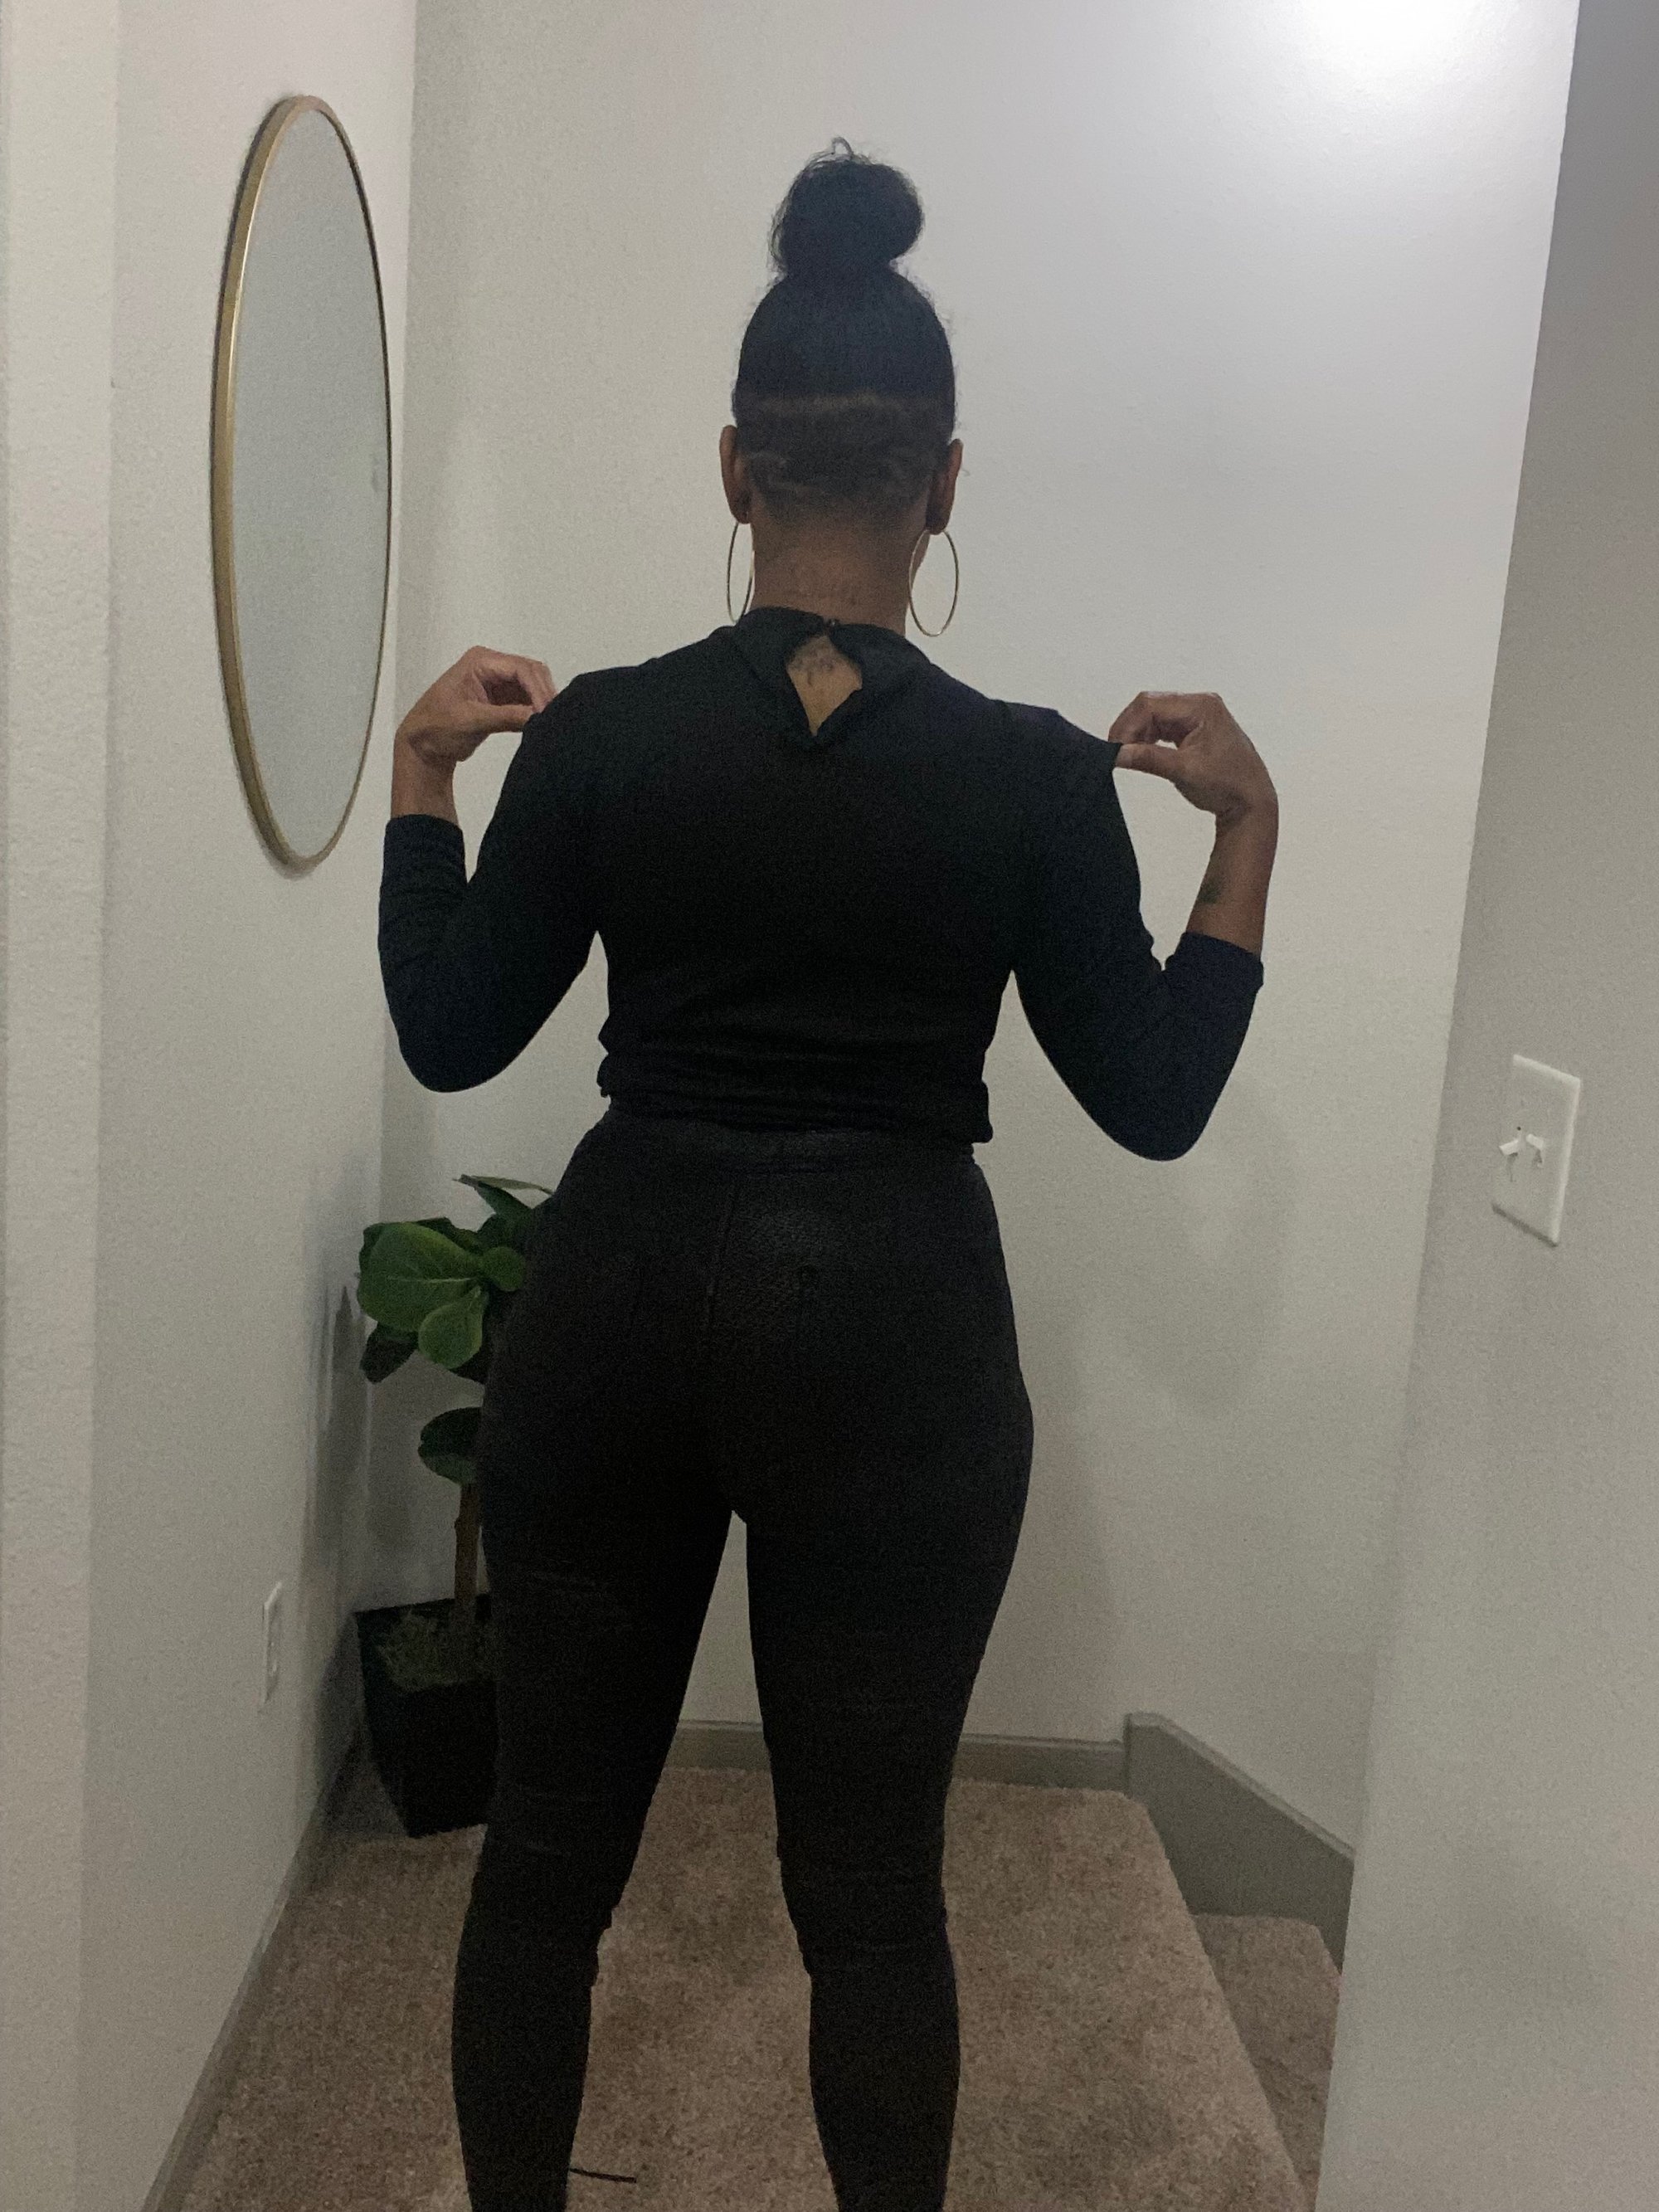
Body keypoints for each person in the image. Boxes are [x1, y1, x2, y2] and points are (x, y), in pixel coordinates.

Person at [378, 141, 1277, 2212]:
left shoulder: (597, 738)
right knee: (872, 1903)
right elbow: (1154, 1098)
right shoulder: (1036, 776)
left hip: (618, 1303)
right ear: (942, 484)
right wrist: (1245, 833)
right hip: (895, 1328)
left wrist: (426, 772)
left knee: (541, 1866)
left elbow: (448, 1030)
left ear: (733, 469)